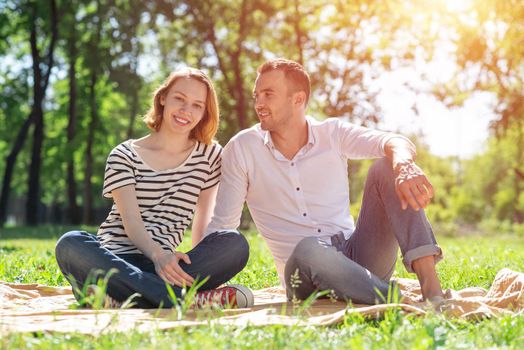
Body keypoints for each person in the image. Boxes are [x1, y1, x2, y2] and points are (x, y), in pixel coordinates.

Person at [204, 58, 445, 306]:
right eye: (257, 96)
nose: (259, 104)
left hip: (357, 260)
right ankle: (392, 297)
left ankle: (431, 291)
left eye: (268, 94)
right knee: (309, 248)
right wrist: (203, 281)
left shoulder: (332, 134)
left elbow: (394, 141)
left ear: (298, 99)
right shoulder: (242, 148)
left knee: (387, 165)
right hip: (303, 273)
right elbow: (224, 225)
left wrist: (403, 164)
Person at [55, 68, 253, 309]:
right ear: (162, 98)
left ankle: (123, 297)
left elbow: (204, 219)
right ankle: (185, 299)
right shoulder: (124, 155)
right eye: (179, 99)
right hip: (115, 260)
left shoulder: (210, 156)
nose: (185, 111)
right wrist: (158, 255)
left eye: (196, 105)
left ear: (204, 112)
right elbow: (131, 222)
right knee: (71, 244)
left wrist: (195, 262)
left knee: (235, 243)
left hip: (169, 267)